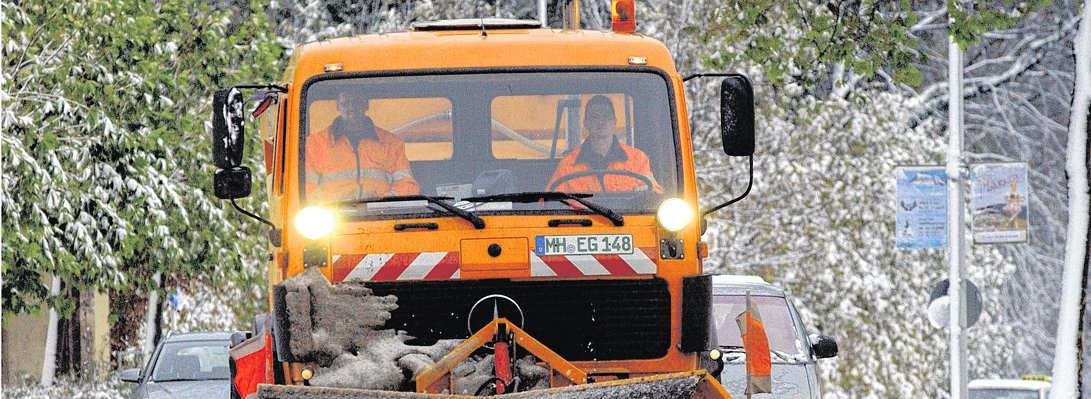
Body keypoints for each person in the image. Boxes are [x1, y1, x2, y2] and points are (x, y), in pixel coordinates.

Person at [306, 91, 419, 203]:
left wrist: (384, 205)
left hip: (382, 217)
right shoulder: (314, 143)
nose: (351, 107)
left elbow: (407, 185)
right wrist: (333, 208)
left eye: (357, 103)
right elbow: (304, 189)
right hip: (333, 218)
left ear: (366, 105)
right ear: (337, 106)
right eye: (345, 103)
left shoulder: (391, 143)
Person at [546, 95, 662, 193]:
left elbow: (656, 195)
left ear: (614, 122)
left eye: (606, 116)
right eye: (595, 117)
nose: (601, 122)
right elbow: (550, 203)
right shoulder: (568, 165)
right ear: (586, 123)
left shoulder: (637, 159)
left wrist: (648, 191)